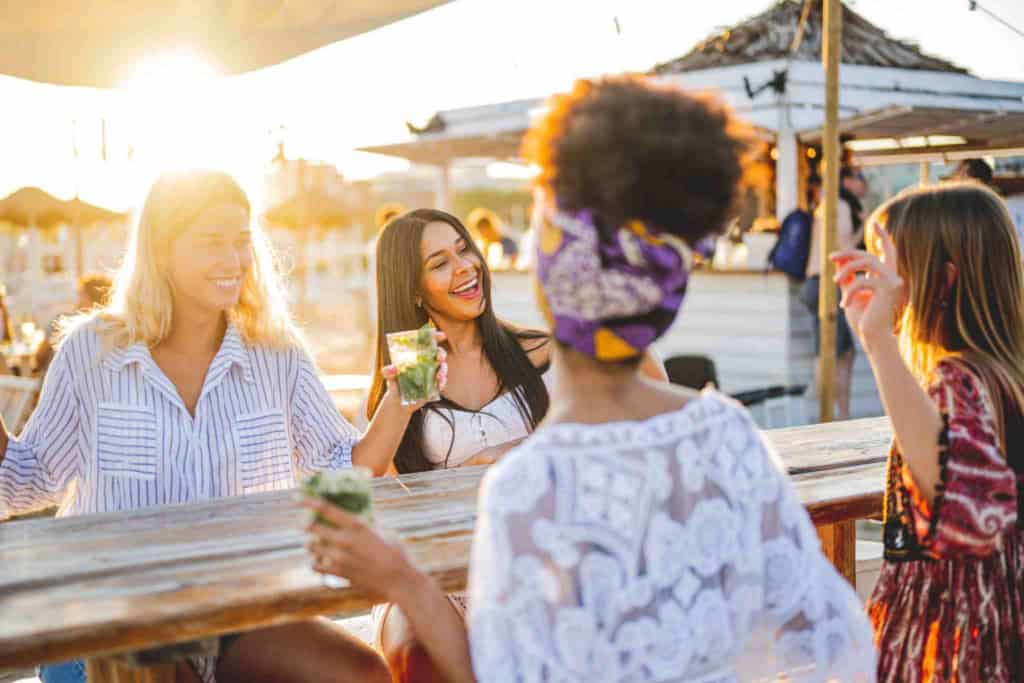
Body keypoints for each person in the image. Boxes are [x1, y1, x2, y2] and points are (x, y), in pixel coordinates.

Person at [305, 76, 875, 682]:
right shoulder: (727, 435)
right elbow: (839, 644)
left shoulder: (528, 487)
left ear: (551, 258)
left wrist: (398, 579)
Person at [0, 170, 395, 683]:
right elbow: (26, 483)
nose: (234, 262)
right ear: (162, 251)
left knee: (362, 673)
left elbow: (342, 474)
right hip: (113, 614)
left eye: (241, 243)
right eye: (212, 243)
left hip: (243, 608)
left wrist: (402, 402)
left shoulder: (277, 353)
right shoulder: (91, 351)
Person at [360, 207, 669, 681]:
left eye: (464, 249)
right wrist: (400, 401)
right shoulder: (415, 369)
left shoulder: (536, 351)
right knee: (417, 656)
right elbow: (371, 480)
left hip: (532, 561)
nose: (465, 267)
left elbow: (647, 382)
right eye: (439, 263)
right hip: (438, 574)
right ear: (412, 289)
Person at [834, 182, 1024, 681]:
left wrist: (878, 342)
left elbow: (953, 501)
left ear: (942, 282)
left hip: (957, 650)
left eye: (891, 270)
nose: (879, 287)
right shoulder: (1007, 375)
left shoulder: (959, 382)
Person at [800, 166, 868, 420]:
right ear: (847, 181)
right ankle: (821, 413)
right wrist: (866, 224)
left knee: (845, 352)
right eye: (861, 177)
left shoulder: (828, 204)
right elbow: (846, 247)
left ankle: (841, 413)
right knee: (829, 352)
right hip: (824, 284)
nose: (865, 183)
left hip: (820, 283)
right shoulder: (839, 206)